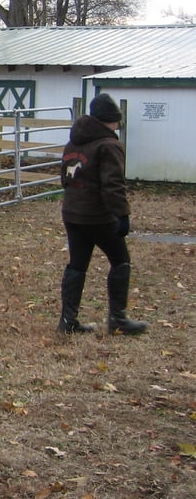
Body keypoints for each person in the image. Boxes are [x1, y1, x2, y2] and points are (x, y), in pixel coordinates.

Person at [57, 92, 148, 336]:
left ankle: (68, 321)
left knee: (77, 265)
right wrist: (123, 215)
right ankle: (118, 319)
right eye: (116, 120)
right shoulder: (109, 145)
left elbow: (64, 177)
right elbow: (113, 184)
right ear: (110, 120)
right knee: (121, 260)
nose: (117, 125)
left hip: (72, 212)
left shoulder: (73, 142)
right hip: (98, 216)